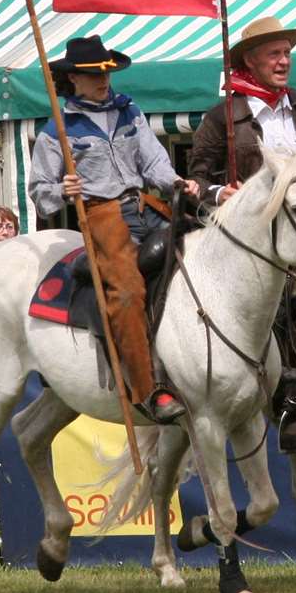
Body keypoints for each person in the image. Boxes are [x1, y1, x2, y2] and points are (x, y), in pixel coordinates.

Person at [28, 35, 196, 425]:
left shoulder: (129, 110)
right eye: (93, 74)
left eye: (106, 72)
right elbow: (40, 195)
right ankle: (148, 391)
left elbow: (154, 162)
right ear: (73, 79)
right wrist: (62, 189)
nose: (104, 80)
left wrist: (175, 184)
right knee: (126, 292)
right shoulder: (57, 128)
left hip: (146, 203)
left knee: (203, 253)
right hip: (101, 216)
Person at [188, 16, 296, 203]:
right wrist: (219, 193)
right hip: (254, 223)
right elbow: (196, 180)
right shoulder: (222, 117)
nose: (284, 61)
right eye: (274, 54)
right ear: (249, 60)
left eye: (287, 53)